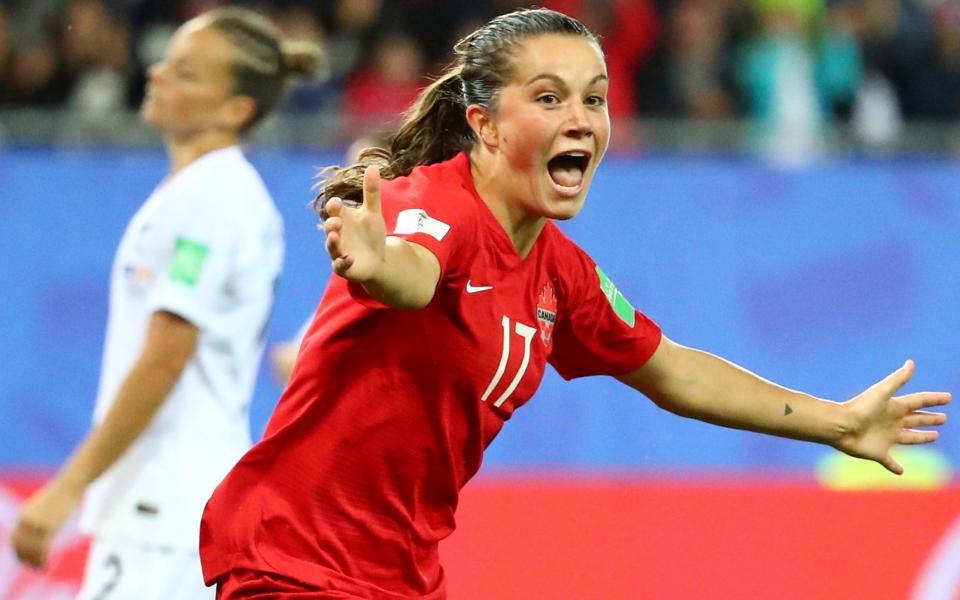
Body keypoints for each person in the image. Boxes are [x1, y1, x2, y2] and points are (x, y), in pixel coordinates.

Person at [199, 8, 951, 599]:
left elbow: (674, 372)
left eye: (594, 98)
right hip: (293, 565)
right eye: (549, 97)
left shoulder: (562, 276)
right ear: (484, 124)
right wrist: (378, 267)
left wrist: (838, 420)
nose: (581, 119)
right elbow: (414, 275)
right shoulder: (432, 202)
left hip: (401, 577)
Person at [11, 8, 321, 600]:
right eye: (167, 62)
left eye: (187, 72)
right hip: (171, 503)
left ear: (236, 109)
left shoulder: (209, 201)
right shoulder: (210, 191)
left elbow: (165, 357)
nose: (158, 74)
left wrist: (66, 488)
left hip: (163, 508)